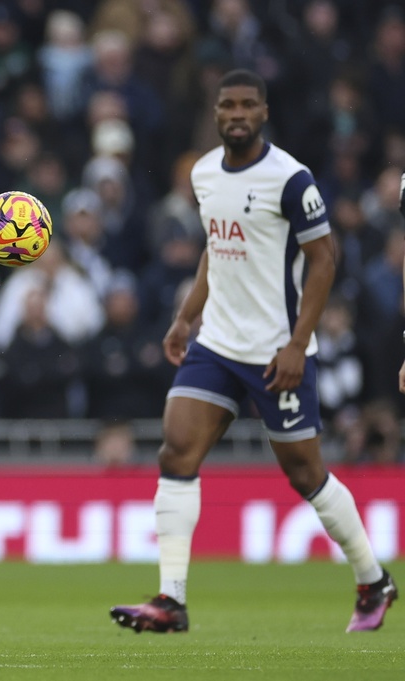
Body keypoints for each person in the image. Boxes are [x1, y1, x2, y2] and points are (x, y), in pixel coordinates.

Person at [110, 69, 397, 634]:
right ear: (215, 113)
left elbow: (325, 261)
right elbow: (216, 251)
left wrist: (296, 344)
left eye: (247, 105)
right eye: (227, 105)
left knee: (305, 473)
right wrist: (185, 317)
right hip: (216, 341)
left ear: (264, 113)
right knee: (176, 452)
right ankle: (171, 601)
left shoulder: (290, 179)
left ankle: (372, 578)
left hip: (276, 351)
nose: (236, 114)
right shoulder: (204, 172)